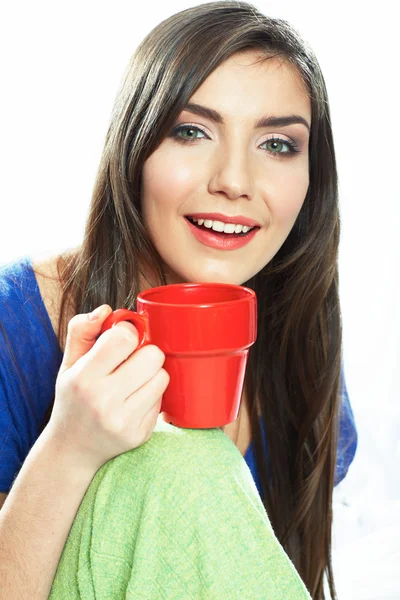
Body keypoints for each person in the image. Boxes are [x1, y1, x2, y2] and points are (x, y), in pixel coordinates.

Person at [0, 1, 358, 598]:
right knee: (179, 457)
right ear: (134, 148)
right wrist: (69, 445)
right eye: (191, 132)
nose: (235, 181)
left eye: (277, 144)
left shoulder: (303, 340)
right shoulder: (16, 323)